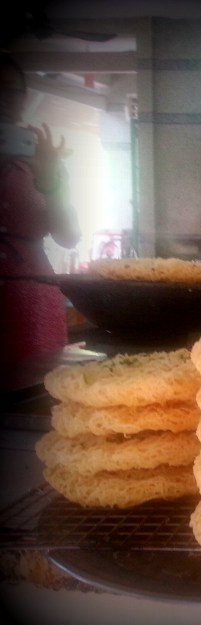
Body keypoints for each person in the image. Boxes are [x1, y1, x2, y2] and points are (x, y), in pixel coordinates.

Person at [0, 51, 80, 393]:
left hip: (30, 291)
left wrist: (50, 180)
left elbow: (68, 236)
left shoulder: (41, 159)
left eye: (13, 91)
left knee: (36, 393)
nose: (5, 99)